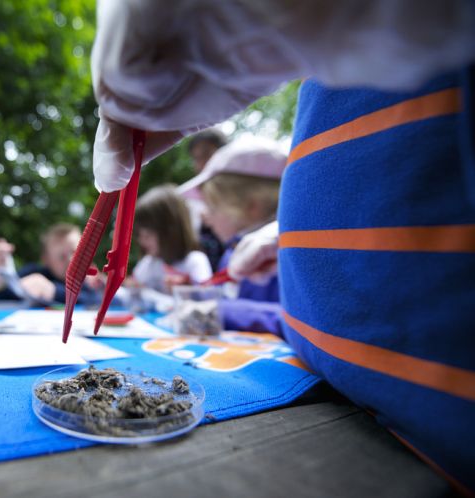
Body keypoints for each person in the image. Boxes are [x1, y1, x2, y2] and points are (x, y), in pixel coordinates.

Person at [88, 0, 475, 491]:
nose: (201, 214)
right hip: (366, 427)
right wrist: (292, 238)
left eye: (210, 200)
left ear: (251, 206)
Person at [180, 136, 287, 332]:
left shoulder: (285, 256)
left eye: (212, 207)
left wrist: (220, 309)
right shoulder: (231, 253)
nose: (206, 218)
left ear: (252, 206)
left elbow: (299, 321)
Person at [0, 223, 101, 305]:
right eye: (61, 256)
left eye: (76, 253)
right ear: (46, 259)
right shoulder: (34, 272)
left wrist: (53, 291)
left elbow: (105, 301)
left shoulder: (86, 280)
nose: (72, 260)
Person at [131, 184, 213, 293]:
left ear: (170, 231)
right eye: (139, 235)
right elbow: (132, 294)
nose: (141, 241)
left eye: (148, 234)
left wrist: (187, 289)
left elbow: (209, 299)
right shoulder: (148, 264)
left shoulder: (194, 261)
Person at [179, 128, 229, 270]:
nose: (201, 163)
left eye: (207, 154)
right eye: (196, 158)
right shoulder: (190, 201)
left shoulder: (243, 190)